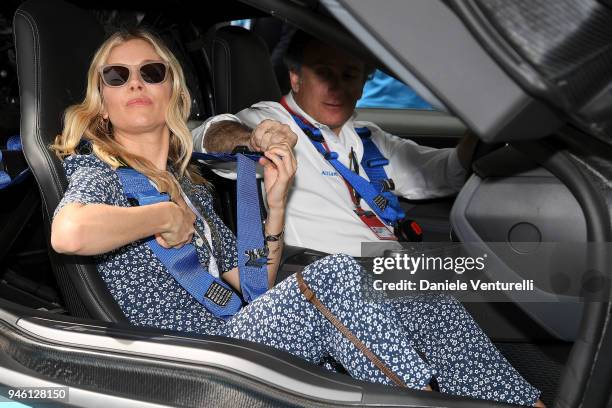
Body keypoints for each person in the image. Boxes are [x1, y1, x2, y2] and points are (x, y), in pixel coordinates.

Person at [50, 29, 543, 407]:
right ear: (103, 98)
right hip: (187, 356)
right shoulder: (102, 169)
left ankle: (524, 402)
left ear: (173, 91)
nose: (134, 82)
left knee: (407, 286)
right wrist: (160, 216)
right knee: (332, 276)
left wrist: (277, 205)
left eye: (150, 72)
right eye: (116, 76)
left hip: (233, 329)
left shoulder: (191, 187)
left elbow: (249, 281)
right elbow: (69, 232)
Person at [193, 30, 478, 256]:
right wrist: (250, 139)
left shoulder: (370, 138)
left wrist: (485, 128)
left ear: (363, 84)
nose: (336, 87)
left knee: (496, 275)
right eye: (323, 73)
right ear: (295, 77)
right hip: (327, 281)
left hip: (390, 271)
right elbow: (207, 138)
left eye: (349, 75)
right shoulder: (270, 119)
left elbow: (448, 172)